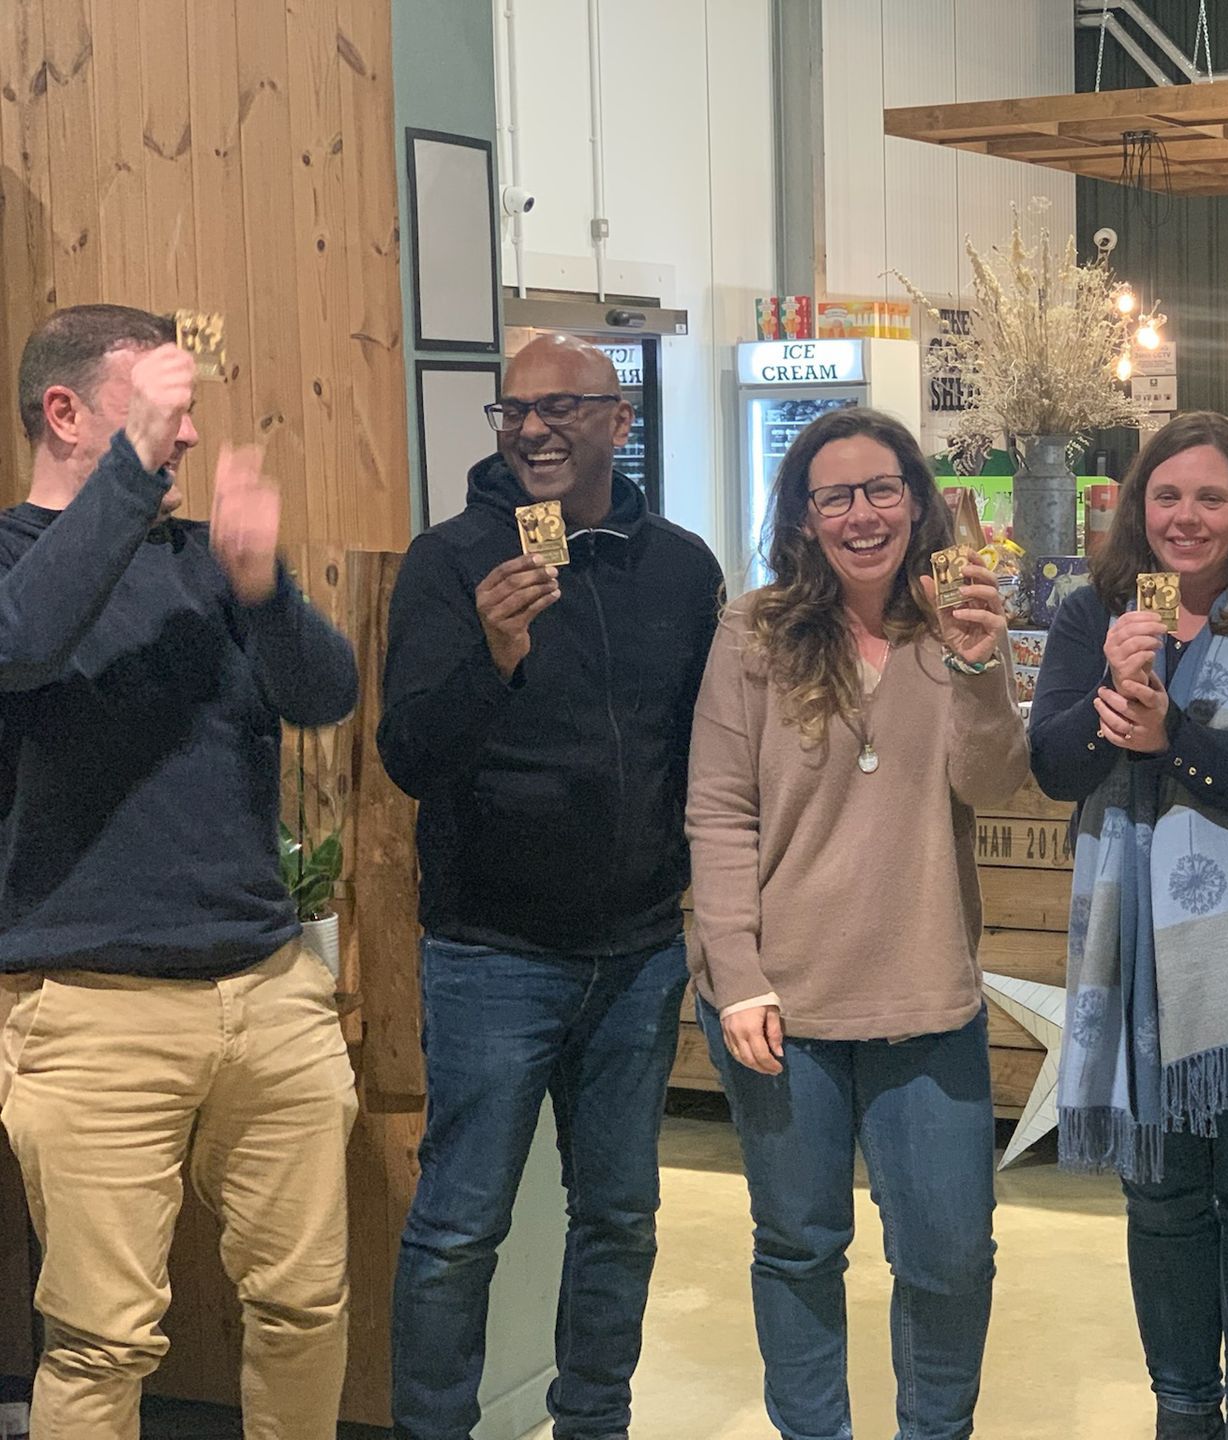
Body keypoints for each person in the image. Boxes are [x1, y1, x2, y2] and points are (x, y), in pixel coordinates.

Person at [0, 304, 360, 1436]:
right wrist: (129, 474)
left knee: (305, 1305)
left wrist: (266, 588)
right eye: (161, 412)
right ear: (67, 414)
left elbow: (324, 696)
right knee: (104, 1341)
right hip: (89, 1010)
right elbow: (24, 646)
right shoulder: (14, 563)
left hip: (268, 990)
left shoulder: (207, 561)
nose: (188, 441)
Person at [378, 335, 724, 1440]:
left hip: (637, 950)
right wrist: (492, 654)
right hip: (490, 949)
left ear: (619, 422)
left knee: (619, 1218)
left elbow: (705, 751)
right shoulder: (448, 563)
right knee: (459, 1228)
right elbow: (409, 758)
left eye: (561, 408)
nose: (532, 430)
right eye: (513, 412)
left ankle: (595, 1423)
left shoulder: (680, 566)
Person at [686, 406, 1026, 1440]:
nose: (862, 514)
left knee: (950, 1254)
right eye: (834, 496)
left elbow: (993, 782)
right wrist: (736, 971)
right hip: (780, 1004)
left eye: (882, 489)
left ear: (918, 502)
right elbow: (719, 810)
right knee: (798, 1247)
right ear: (803, 517)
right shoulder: (753, 630)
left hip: (925, 996)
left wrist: (978, 669)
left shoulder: (958, 624)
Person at [1028, 411, 1228, 1440]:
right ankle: (1184, 1408)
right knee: (1163, 1200)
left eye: (1212, 497)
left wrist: (1176, 739)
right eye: (1166, 495)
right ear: (1138, 508)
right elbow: (1053, 766)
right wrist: (1113, 697)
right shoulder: (1096, 615)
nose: (1186, 516)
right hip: (1141, 961)